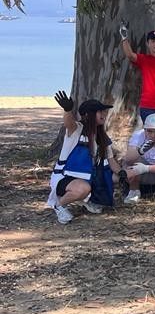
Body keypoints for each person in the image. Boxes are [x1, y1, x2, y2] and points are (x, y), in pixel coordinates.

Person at [48, 93, 122, 223]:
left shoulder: (101, 137)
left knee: (116, 177)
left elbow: (111, 162)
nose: (104, 114)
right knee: (83, 188)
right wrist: (67, 110)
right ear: (88, 114)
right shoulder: (77, 130)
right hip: (65, 177)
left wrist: (124, 173)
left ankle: (87, 199)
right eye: (99, 111)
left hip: (89, 176)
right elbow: (69, 123)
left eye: (104, 111)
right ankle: (59, 206)